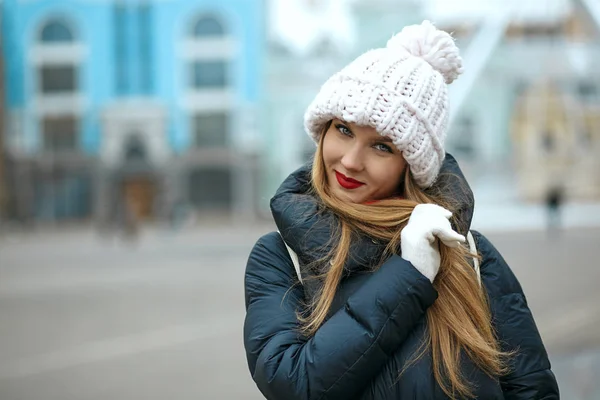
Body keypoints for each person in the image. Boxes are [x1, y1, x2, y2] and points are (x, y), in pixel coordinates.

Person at [243, 21, 559, 399]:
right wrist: (408, 275)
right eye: (343, 130)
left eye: (382, 147)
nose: (350, 161)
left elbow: (531, 389)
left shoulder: (470, 255)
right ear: (323, 130)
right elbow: (294, 384)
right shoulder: (281, 257)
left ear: (411, 166)